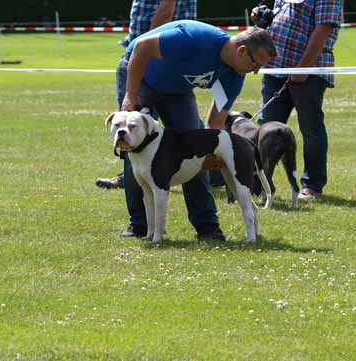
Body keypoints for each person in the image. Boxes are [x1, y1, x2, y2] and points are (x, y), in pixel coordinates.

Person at [118, 20, 276, 239]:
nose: (256, 71)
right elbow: (141, 47)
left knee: (195, 148)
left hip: (178, 92)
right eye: (256, 64)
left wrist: (211, 152)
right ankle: (140, 226)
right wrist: (130, 94)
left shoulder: (234, 76)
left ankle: (207, 227)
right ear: (241, 51)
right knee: (134, 148)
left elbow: (215, 124)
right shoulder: (194, 39)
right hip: (141, 77)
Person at [96, 0, 197, 190]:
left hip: (149, 59)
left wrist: (144, 54)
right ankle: (131, 180)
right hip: (148, 56)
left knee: (136, 130)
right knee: (135, 131)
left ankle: (140, 197)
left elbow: (166, 10)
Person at [252, 0, 342, 200]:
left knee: (311, 128)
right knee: (265, 128)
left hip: (309, 71)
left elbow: (323, 29)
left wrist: (303, 68)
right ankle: (258, 183)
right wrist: (262, 17)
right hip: (276, 67)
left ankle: (312, 186)